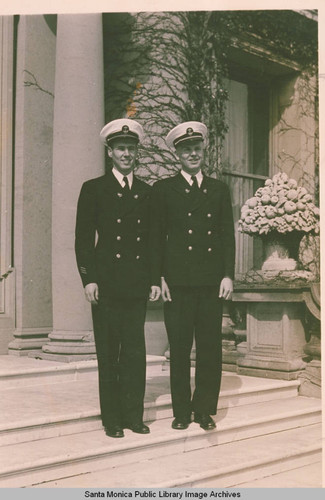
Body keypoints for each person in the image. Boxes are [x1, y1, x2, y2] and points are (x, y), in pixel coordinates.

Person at [75, 118, 160, 438]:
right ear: (110, 152)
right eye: (120, 148)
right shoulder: (94, 188)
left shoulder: (146, 192)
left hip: (136, 284)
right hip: (107, 285)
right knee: (109, 353)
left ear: (137, 153)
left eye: (131, 148)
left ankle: (133, 416)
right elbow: (83, 239)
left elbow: (153, 240)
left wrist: (154, 279)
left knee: (135, 354)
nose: (126, 153)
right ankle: (111, 418)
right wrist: (89, 279)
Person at [150, 121, 235, 431]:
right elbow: (157, 236)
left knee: (211, 348)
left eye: (197, 149)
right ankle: (182, 412)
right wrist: (158, 276)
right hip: (177, 283)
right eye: (187, 150)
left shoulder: (218, 189)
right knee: (180, 348)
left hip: (211, 281)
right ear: (178, 154)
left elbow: (228, 235)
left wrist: (228, 274)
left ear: (203, 151)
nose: (193, 154)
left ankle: (204, 410)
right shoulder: (163, 189)